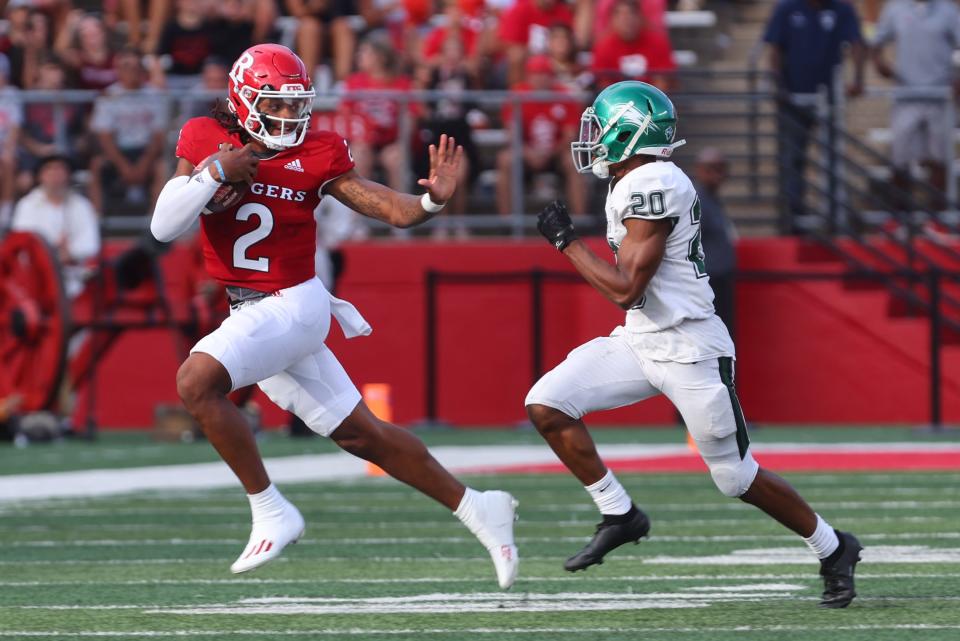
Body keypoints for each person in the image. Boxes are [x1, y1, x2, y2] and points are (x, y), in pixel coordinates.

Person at [148, 44, 518, 588]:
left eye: (295, 104)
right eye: (275, 104)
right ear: (244, 100)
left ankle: (271, 509)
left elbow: (389, 207)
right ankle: (479, 507)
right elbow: (162, 226)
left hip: (294, 304)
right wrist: (212, 174)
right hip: (256, 310)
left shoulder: (318, 152)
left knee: (195, 381)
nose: (288, 116)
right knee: (364, 436)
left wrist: (432, 203)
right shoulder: (206, 136)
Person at [526, 81, 862, 608]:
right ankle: (619, 513)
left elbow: (626, 288)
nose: (591, 137)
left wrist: (567, 243)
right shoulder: (630, 180)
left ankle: (833, 546)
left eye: (602, 126)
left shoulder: (655, 181)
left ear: (629, 133)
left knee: (735, 477)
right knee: (548, 404)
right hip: (641, 341)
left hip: (690, 347)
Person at [763, 0, 865, 233]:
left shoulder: (842, 8)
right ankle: (792, 220)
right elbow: (775, 49)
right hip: (794, 100)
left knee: (832, 160)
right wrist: (777, 85)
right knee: (792, 160)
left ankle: (833, 216)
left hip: (830, 100)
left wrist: (858, 79)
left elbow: (858, 43)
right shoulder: (786, 8)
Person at [871, 0, 960, 210]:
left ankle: (935, 222)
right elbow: (876, 43)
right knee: (900, 160)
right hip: (906, 97)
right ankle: (900, 221)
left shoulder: (948, 11)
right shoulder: (895, 9)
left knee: (939, 160)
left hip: (939, 98)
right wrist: (880, 64)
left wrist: (957, 80)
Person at [496, 55, 585, 215]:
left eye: (544, 74)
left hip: (556, 153)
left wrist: (549, 153)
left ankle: (579, 219)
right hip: (526, 152)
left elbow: (569, 135)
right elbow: (511, 132)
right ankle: (507, 222)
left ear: (551, 76)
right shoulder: (517, 95)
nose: (540, 79)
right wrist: (529, 153)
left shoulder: (564, 95)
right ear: (528, 76)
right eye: (536, 74)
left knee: (574, 162)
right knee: (505, 160)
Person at [10, 154, 100, 298]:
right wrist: (52, 253)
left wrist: (69, 252)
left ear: (68, 174)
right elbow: (20, 244)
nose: (55, 173)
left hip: (74, 275)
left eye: (60, 168)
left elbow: (91, 244)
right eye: (49, 169)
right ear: (40, 176)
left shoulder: (82, 206)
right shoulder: (27, 205)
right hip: (35, 274)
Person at [692, 147, 736, 336]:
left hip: (720, 281)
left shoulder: (711, 199)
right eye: (711, 169)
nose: (718, 175)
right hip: (708, 283)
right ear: (700, 170)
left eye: (721, 168)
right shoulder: (697, 200)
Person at [591, 0, 676, 91]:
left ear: (641, 17)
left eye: (632, 15)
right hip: (616, 101)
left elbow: (663, 81)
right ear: (613, 20)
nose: (627, 21)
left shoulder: (658, 43)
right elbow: (603, 84)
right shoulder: (603, 46)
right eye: (622, 17)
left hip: (650, 99)